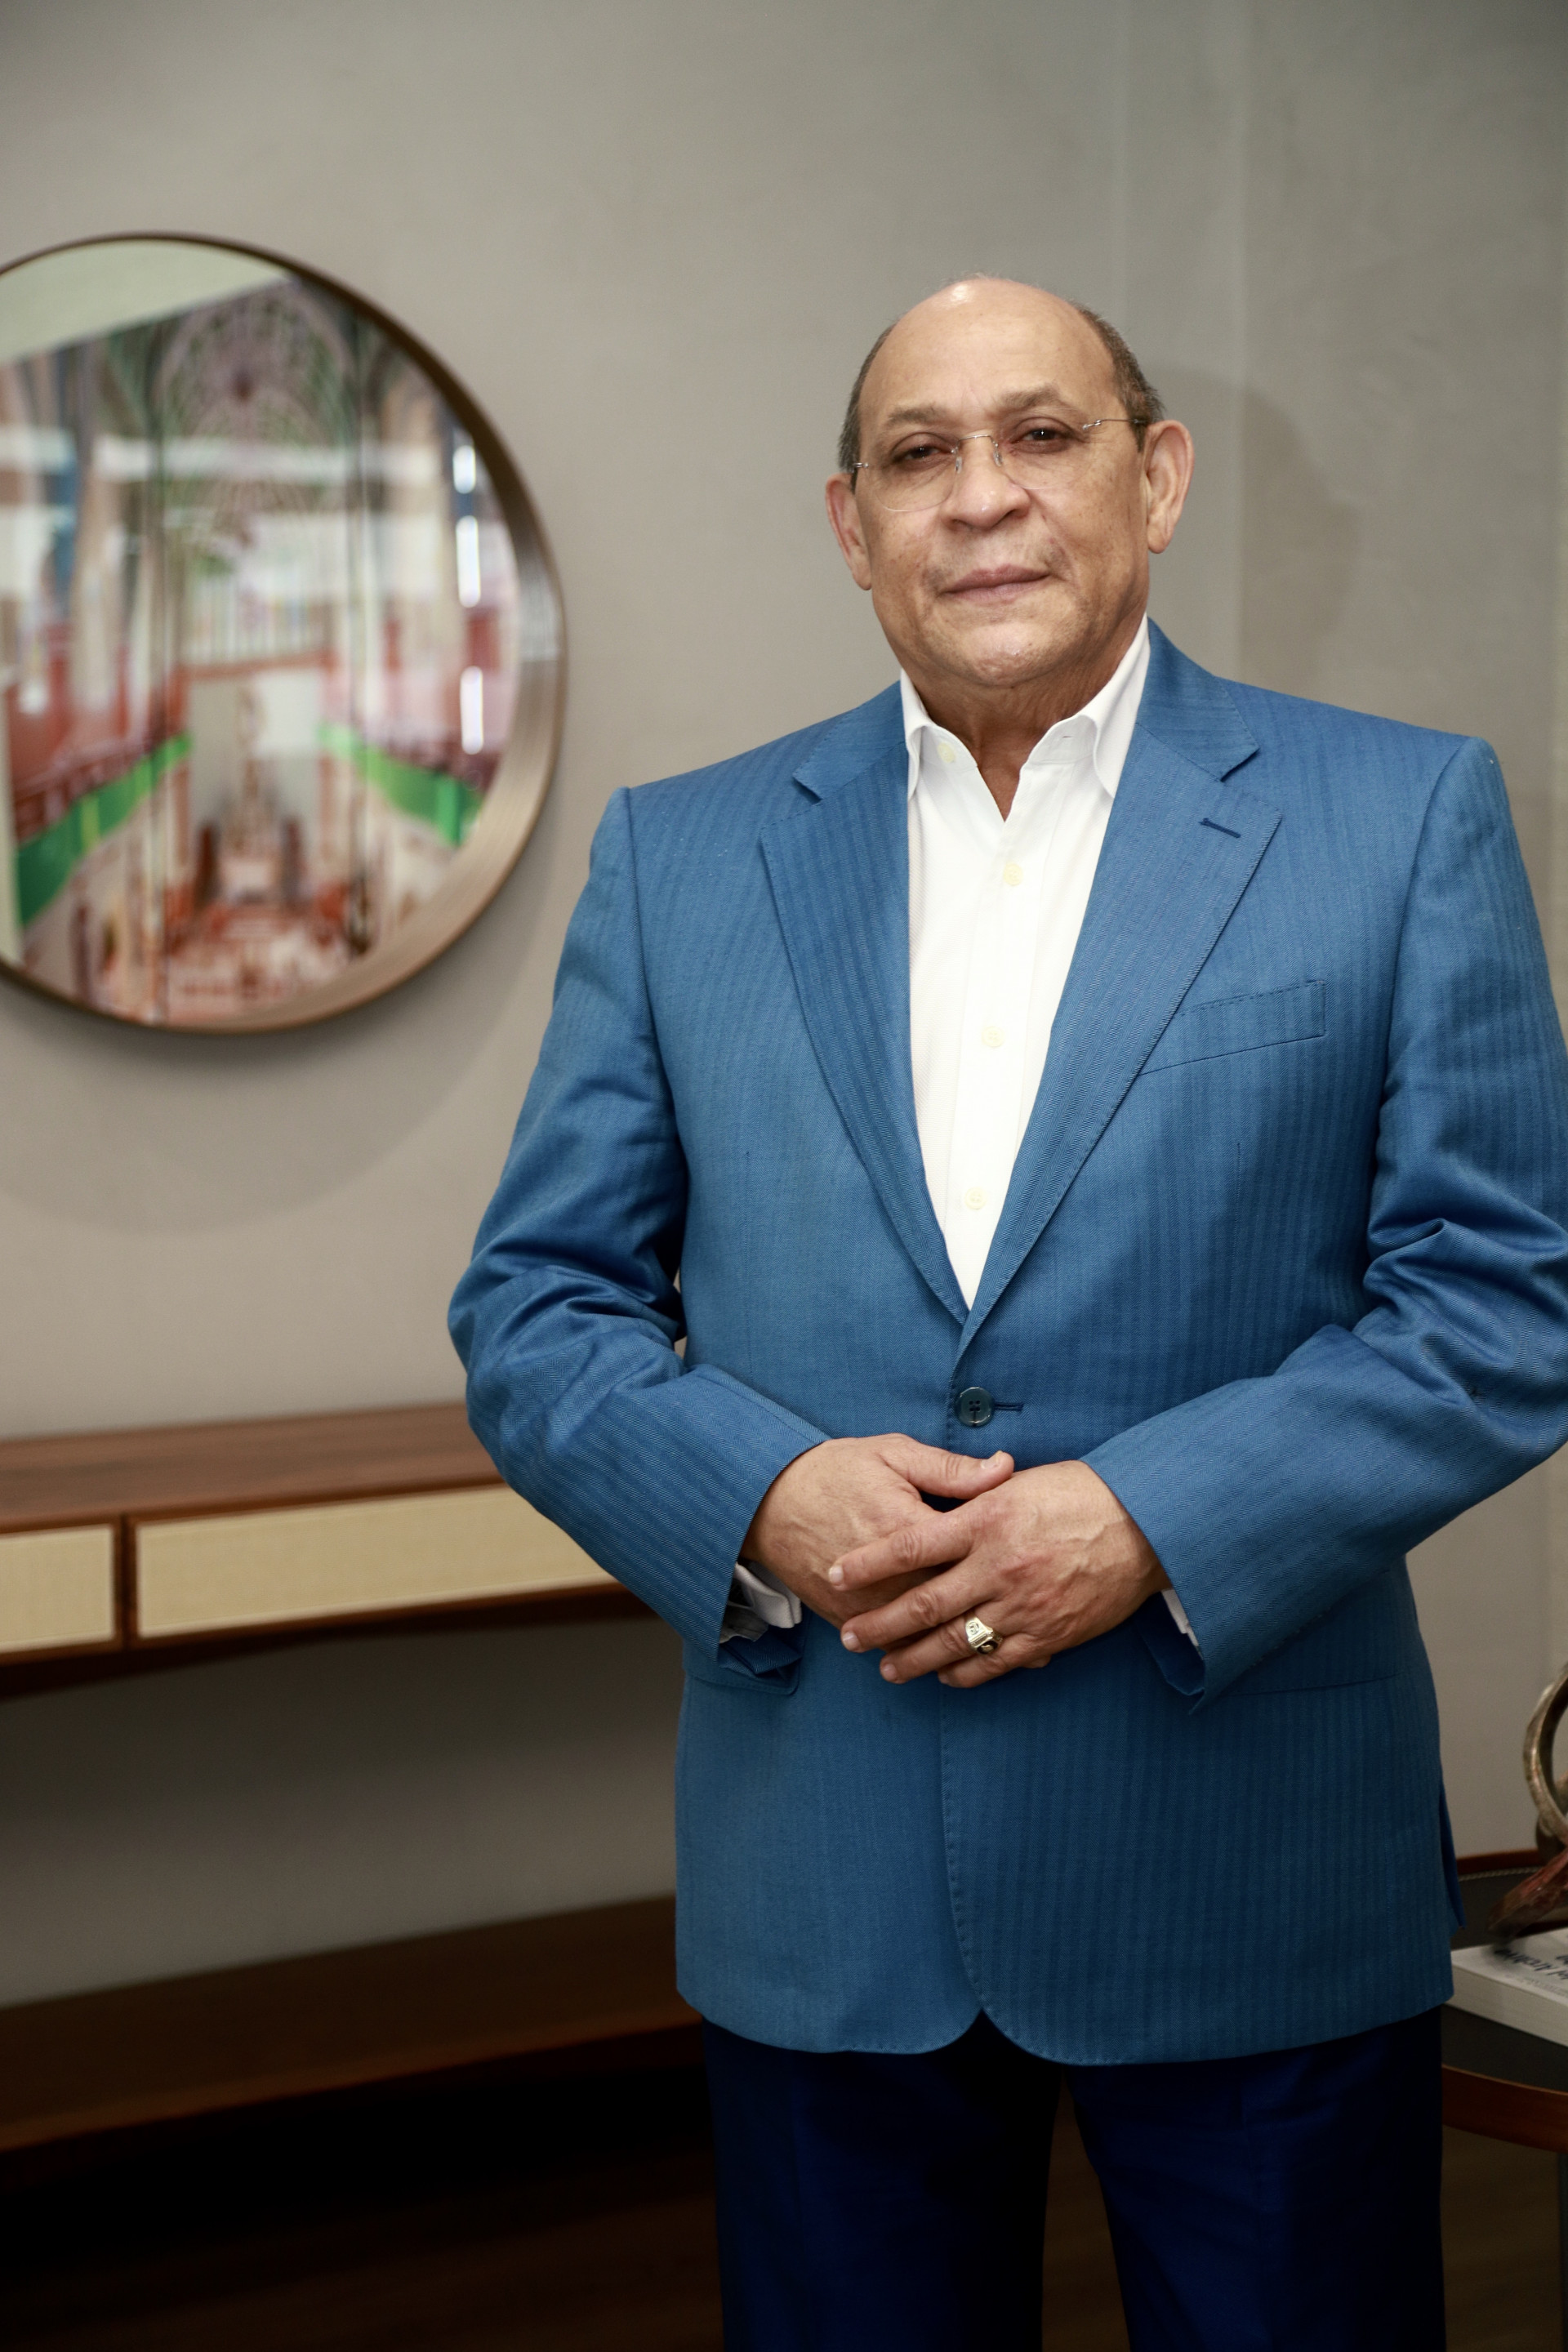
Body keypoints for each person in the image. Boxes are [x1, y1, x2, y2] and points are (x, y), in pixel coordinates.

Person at [449, 278, 1568, 2350]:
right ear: (851, 525)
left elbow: (1504, 1300)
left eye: (1043, 436)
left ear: (1158, 481)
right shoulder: (682, 858)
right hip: (827, 1869)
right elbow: (537, 1307)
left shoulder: (1401, 817)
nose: (981, 497)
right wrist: (761, 1494)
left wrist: (1147, 1517)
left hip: (1249, 1861)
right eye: (919, 454)